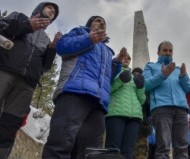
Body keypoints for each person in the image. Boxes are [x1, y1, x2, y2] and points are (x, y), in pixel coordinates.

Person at [42, 16, 124, 159]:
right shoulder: (79, 32)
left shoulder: (107, 51)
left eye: (104, 23)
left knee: (93, 153)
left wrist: (116, 64)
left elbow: (106, 78)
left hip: (98, 102)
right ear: (89, 24)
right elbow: (62, 46)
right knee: (60, 144)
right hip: (74, 92)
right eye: (97, 20)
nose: (101, 23)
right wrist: (89, 39)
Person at [0, 2, 60, 158]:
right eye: (50, 8)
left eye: (54, 12)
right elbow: (3, 28)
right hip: (4, 70)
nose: (52, 11)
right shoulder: (18, 17)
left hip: (26, 85)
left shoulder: (46, 39)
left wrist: (52, 49)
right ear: (39, 9)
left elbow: (45, 67)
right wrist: (27, 26)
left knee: (10, 125)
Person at [143, 41, 190, 159]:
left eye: (170, 51)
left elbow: (189, 88)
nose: (168, 53)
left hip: (181, 110)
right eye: (165, 50)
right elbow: (146, 85)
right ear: (158, 52)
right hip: (161, 109)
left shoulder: (178, 69)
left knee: (182, 147)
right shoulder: (150, 66)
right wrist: (163, 74)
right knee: (163, 146)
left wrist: (183, 76)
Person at [105, 52, 146, 159]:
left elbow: (141, 100)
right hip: (116, 113)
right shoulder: (112, 71)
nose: (126, 59)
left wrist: (141, 87)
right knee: (113, 149)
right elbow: (106, 90)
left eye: (128, 57)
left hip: (135, 117)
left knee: (128, 151)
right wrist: (119, 80)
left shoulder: (134, 77)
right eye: (124, 57)